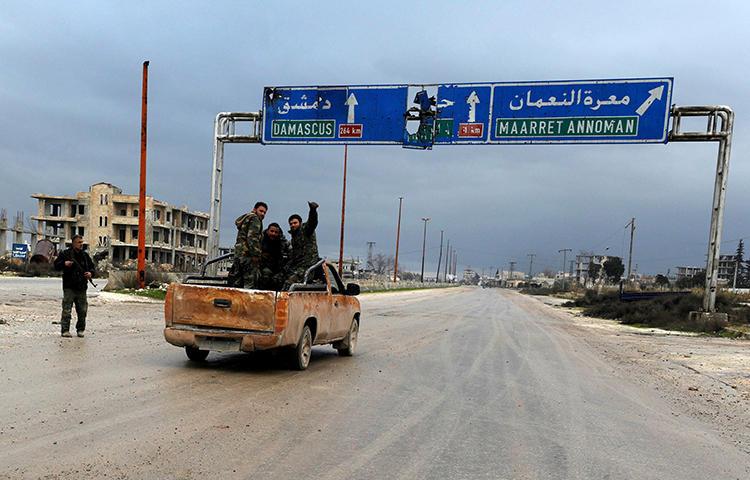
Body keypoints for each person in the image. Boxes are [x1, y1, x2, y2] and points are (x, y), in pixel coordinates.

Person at [53, 235, 96, 338]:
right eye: (79, 242)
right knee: (67, 310)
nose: (81, 244)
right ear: (73, 243)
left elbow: (92, 268)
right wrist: (64, 264)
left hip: (81, 287)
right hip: (69, 286)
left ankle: (80, 330)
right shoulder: (65, 254)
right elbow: (56, 265)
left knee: (82, 310)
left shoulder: (85, 256)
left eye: (82, 242)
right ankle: (65, 330)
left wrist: (90, 273)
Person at [227, 201, 267, 288]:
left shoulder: (246, 219)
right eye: (261, 211)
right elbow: (252, 238)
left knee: (237, 282)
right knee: (249, 284)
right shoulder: (255, 219)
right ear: (254, 210)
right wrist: (256, 255)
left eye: (264, 212)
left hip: (239, 254)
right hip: (247, 255)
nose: (263, 214)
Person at [284, 201, 320, 289]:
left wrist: (313, 210)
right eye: (291, 224)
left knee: (289, 284)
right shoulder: (294, 238)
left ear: (300, 223)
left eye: (295, 223)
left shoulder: (305, 230)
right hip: (297, 267)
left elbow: (312, 222)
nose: (292, 225)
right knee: (278, 278)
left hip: (308, 268)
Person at [258, 223, 291, 291]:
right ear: (267, 231)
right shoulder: (260, 239)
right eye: (272, 231)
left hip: (278, 268)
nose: (273, 234)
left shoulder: (282, 242)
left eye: (276, 232)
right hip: (262, 267)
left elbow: (291, 254)